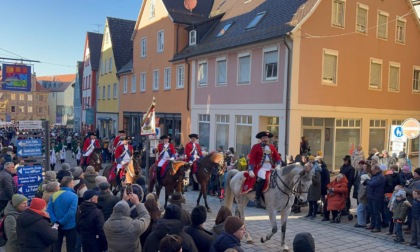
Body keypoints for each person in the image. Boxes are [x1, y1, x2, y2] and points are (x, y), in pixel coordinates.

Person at [248, 131, 281, 208]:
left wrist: (279, 165)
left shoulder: (272, 147)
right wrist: (250, 169)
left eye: (266, 138)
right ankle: (257, 197)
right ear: (261, 139)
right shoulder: (255, 147)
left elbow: (277, 158)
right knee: (262, 178)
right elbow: (251, 159)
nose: (265, 139)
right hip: (260, 168)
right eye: (263, 138)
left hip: (270, 167)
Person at [47, 176, 78, 252]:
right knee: (71, 247)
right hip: (70, 225)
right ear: (70, 184)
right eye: (73, 182)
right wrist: (62, 222)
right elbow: (71, 212)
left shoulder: (54, 195)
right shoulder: (74, 196)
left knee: (56, 247)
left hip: (56, 226)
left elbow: (49, 209)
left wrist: (56, 221)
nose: (73, 183)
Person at [364, 165, 385, 233]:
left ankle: (377, 226)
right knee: (371, 211)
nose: (372, 172)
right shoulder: (374, 176)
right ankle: (372, 224)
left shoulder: (380, 177)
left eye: (373, 170)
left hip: (376, 197)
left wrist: (367, 181)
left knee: (376, 212)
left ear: (377, 170)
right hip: (371, 196)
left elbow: (372, 183)